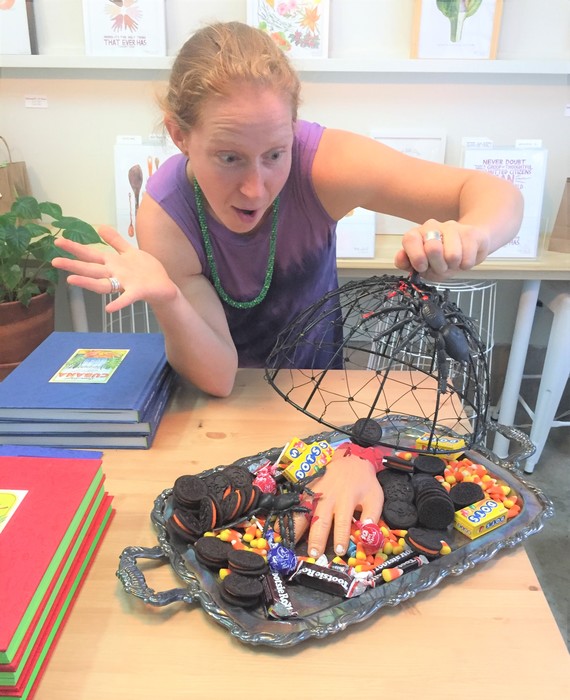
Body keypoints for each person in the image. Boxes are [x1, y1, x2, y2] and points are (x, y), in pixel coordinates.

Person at [52, 21, 523, 560]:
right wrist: (169, 297)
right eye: (229, 157)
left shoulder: (324, 164)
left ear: (293, 130)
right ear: (179, 135)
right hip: (229, 412)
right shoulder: (166, 214)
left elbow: (492, 193)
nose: (255, 187)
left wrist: (471, 233)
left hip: (323, 393)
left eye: (275, 154)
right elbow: (219, 377)